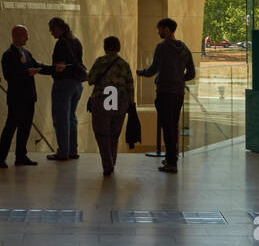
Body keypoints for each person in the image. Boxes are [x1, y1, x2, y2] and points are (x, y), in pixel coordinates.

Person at [137, 17, 195, 174]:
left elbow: (153, 69)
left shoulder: (162, 47)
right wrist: (178, 78)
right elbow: (191, 73)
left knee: (167, 127)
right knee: (173, 125)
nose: (158, 32)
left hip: (164, 92)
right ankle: (172, 156)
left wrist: (141, 72)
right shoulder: (184, 48)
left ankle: (171, 163)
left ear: (167, 29)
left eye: (160, 29)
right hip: (178, 93)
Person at [38, 17, 85, 161]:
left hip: (64, 85)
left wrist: (40, 69)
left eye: (52, 30)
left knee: (61, 118)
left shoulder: (61, 44)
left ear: (59, 28)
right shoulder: (76, 41)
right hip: (77, 84)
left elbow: (58, 68)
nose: (51, 33)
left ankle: (63, 152)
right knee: (72, 117)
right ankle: (72, 150)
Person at [87, 36, 134, 176]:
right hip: (119, 100)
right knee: (114, 134)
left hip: (103, 99)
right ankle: (112, 161)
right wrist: (130, 104)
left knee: (102, 134)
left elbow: (91, 79)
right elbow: (130, 85)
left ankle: (107, 164)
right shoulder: (124, 64)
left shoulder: (100, 61)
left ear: (105, 46)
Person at [0, 25, 41, 168]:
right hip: (17, 98)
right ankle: (1, 158)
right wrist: (27, 73)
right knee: (10, 127)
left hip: (29, 97)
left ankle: (21, 156)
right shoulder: (8, 54)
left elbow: (36, 65)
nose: (27, 38)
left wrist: (53, 69)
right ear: (16, 36)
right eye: (24, 35)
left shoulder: (26, 53)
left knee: (25, 128)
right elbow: (8, 75)